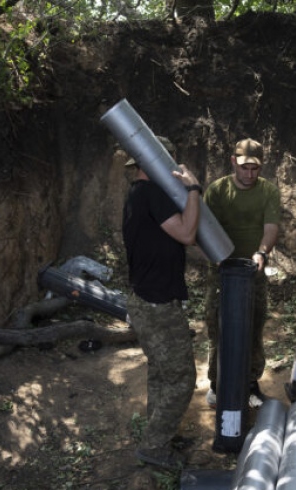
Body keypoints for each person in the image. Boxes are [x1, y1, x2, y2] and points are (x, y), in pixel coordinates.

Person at [122, 136, 203, 469]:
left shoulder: (138, 193)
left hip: (145, 299)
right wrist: (193, 190)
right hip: (156, 304)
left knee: (161, 372)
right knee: (182, 378)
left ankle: (161, 433)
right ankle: (154, 446)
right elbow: (187, 234)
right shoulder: (152, 194)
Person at [203, 138, 282, 408]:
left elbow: (271, 227)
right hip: (221, 275)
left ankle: (250, 383)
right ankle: (217, 383)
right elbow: (205, 227)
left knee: (253, 327)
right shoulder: (217, 190)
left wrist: (262, 252)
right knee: (218, 328)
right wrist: (217, 256)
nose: (249, 174)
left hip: (253, 275)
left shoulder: (268, 191)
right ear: (233, 162)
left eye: (255, 169)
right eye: (244, 167)